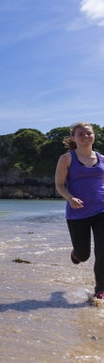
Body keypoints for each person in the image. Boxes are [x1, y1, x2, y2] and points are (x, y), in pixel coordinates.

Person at [55, 122, 104, 300]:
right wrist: (70, 198)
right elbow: (59, 185)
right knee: (83, 255)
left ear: (94, 135)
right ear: (74, 138)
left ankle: (100, 289)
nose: (85, 136)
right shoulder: (67, 158)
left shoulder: (102, 158)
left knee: (103, 252)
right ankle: (76, 254)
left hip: (101, 210)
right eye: (80, 134)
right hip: (78, 213)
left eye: (88, 133)